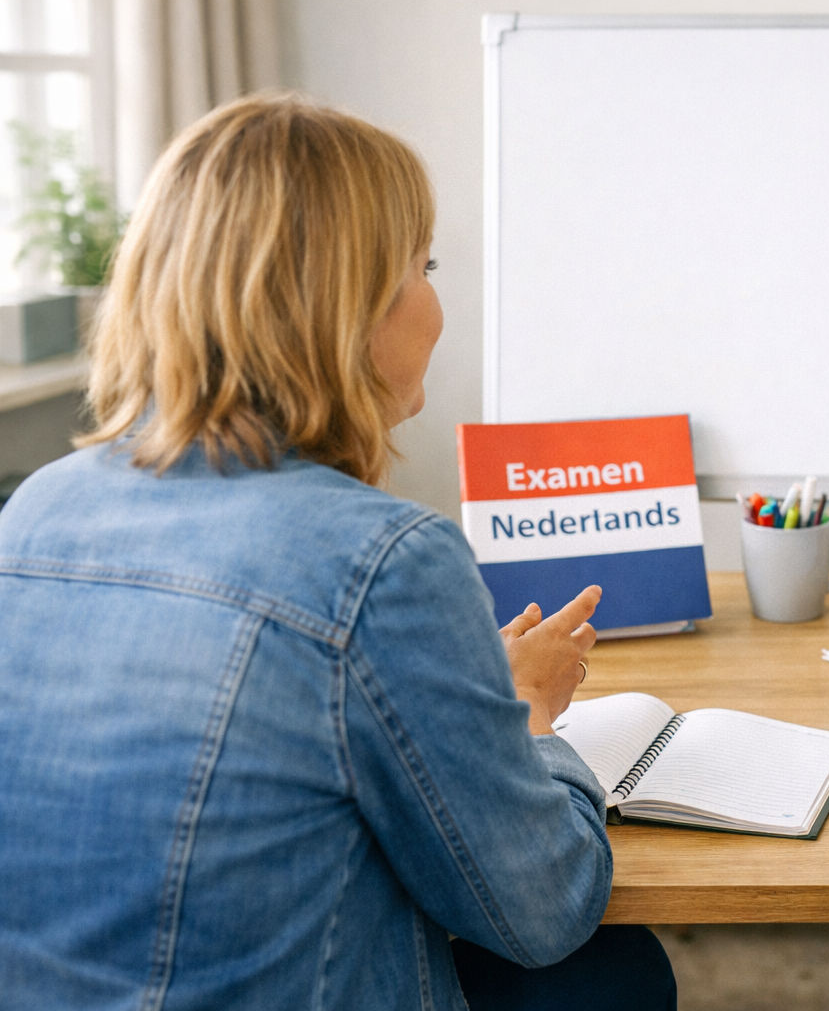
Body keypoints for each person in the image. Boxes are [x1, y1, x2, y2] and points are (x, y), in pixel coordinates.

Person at [0, 93, 674, 1010]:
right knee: (609, 973)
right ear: (346, 306)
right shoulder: (384, 561)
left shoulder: (37, 508)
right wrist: (525, 712)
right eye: (423, 266)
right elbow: (543, 907)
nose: (437, 304)